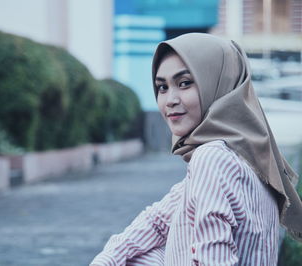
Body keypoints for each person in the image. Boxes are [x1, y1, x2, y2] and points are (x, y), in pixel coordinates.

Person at [90, 33, 302, 265]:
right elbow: (158, 220)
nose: (170, 99)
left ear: (219, 84)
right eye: (162, 87)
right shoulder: (250, 159)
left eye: (184, 83)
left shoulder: (212, 159)